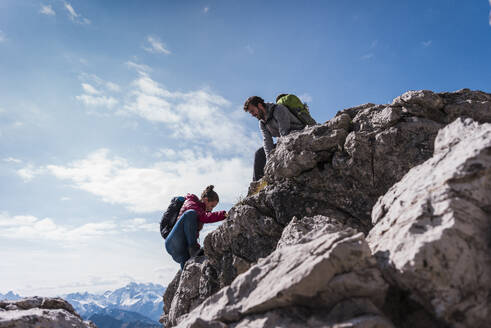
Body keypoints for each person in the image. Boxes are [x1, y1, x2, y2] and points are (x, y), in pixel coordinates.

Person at [244, 96, 306, 181]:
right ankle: (257, 184)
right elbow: (267, 141)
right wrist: (270, 160)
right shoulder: (262, 122)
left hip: (297, 136)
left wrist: (277, 156)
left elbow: (284, 132)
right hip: (284, 141)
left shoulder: (279, 109)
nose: (252, 115)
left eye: (252, 111)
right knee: (259, 153)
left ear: (259, 106)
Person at [164, 185, 227, 269]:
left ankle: (193, 252)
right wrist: (224, 215)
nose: (211, 209)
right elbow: (204, 217)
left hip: (182, 250)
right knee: (191, 213)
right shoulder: (191, 202)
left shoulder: (200, 210)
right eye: (212, 206)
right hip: (174, 241)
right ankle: (194, 248)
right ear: (205, 200)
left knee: (188, 268)